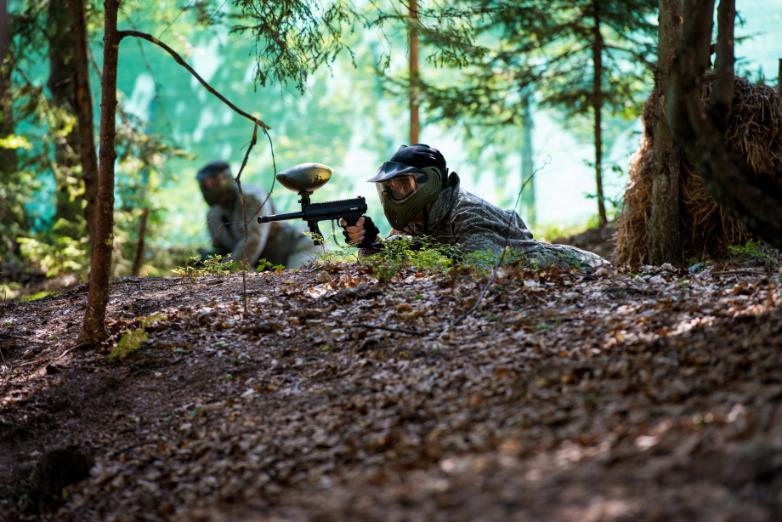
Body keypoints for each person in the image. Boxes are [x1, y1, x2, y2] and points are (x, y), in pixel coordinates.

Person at [341, 144, 607, 269]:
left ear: (429, 183)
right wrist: (370, 242)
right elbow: (385, 267)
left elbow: (481, 274)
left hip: (584, 271)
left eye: (402, 184)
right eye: (389, 187)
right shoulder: (421, 220)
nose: (393, 193)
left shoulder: (468, 214)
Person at [197, 161, 318, 269]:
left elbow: (252, 241)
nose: (206, 189)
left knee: (295, 282)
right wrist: (209, 260)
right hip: (270, 265)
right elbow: (222, 250)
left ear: (226, 179)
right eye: (202, 185)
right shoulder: (213, 214)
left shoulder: (251, 197)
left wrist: (228, 270)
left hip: (299, 248)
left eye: (212, 183)